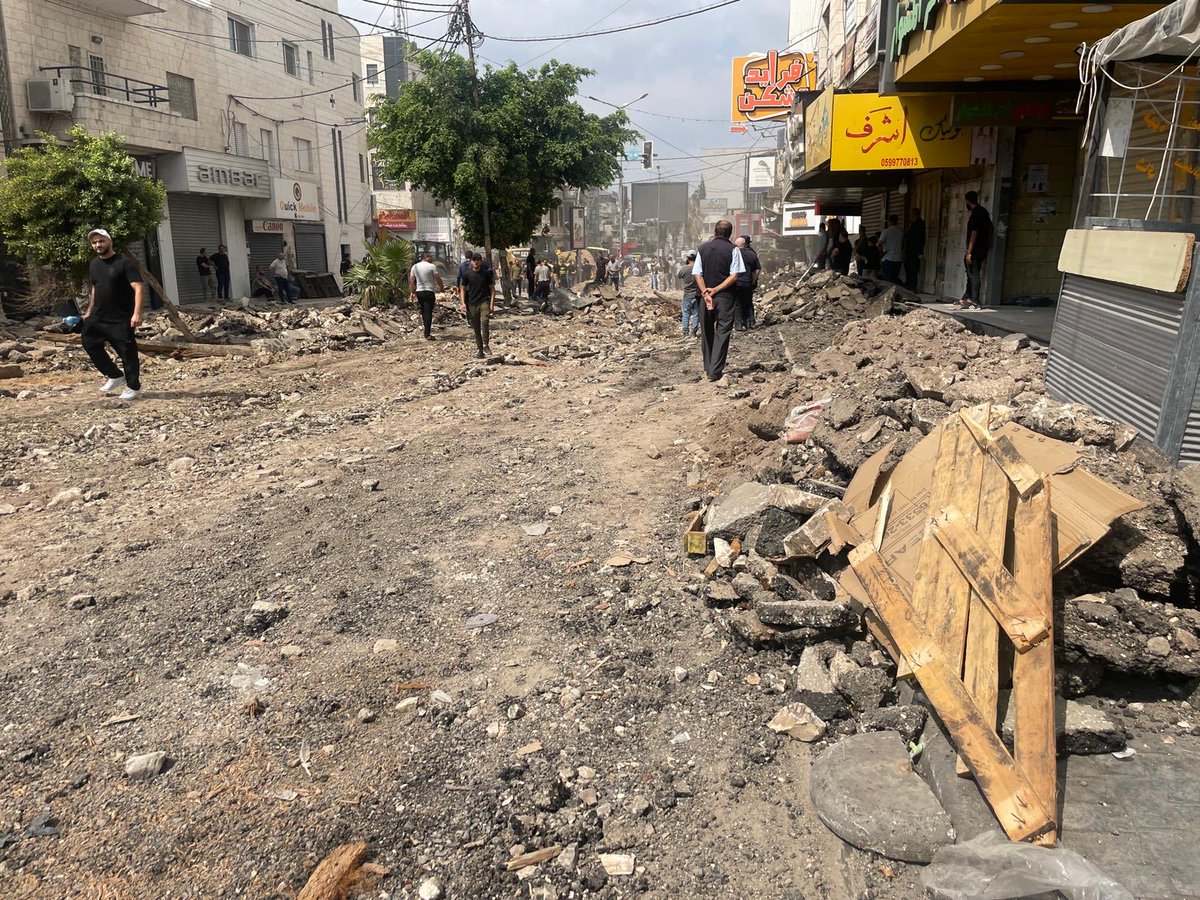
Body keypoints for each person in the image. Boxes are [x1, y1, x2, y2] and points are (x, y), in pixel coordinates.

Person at [82, 228, 145, 401]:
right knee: (89, 343)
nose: (98, 245)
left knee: (127, 353)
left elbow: (138, 287)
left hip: (120, 318)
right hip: (97, 316)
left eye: (101, 241)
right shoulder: (94, 264)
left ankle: (133, 386)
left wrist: (137, 314)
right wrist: (89, 311)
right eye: (94, 242)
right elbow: (95, 287)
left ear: (109, 241)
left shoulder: (125, 263)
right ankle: (115, 376)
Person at [693, 219, 745, 383]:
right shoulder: (733, 250)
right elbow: (734, 275)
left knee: (707, 332)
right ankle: (715, 371)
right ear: (730, 233)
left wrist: (705, 292)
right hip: (725, 298)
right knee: (722, 332)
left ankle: (708, 367)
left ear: (715, 232)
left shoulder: (702, 248)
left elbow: (697, 274)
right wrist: (716, 290)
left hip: (705, 297)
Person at [959, 191, 993, 309]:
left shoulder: (976, 214)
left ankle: (974, 300)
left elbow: (974, 233)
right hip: (982, 248)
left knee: (973, 274)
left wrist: (969, 252)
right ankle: (966, 297)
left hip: (975, 249)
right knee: (971, 273)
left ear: (968, 201)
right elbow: (990, 228)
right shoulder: (984, 212)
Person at [460, 252, 495, 358]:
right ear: (471, 261)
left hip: (484, 301)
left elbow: (492, 289)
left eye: (477, 260)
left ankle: (486, 344)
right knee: (476, 328)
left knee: (485, 321)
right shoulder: (467, 274)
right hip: (472, 303)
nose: (476, 262)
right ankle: (480, 349)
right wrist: (462, 303)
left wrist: (492, 303)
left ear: (480, 261)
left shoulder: (485, 273)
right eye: (474, 260)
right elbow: (462, 288)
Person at [409, 249, 445, 340]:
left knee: (424, 312)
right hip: (429, 292)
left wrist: (413, 291)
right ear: (426, 257)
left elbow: (411, 280)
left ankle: (426, 331)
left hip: (419, 292)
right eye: (430, 257)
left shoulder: (415, 266)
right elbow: (438, 278)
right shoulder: (431, 266)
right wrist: (442, 288)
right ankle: (427, 334)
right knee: (428, 312)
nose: (431, 258)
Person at [733, 235, 760, 330]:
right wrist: (753, 281)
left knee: (737, 304)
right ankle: (750, 323)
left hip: (735, 283)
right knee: (748, 303)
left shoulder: (733, 253)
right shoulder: (752, 254)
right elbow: (757, 269)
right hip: (747, 283)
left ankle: (738, 325)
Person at [678, 251, 701, 337]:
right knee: (696, 314)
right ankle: (694, 332)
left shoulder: (684, 269)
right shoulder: (699, 268)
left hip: (687, 295)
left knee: (685, 314)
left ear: (688, 258)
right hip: (697, 295)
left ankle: (685, 332)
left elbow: (679, 276)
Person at [878, 214, 904, 284]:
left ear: (889, 221)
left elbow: (879, 244)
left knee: (887, 280)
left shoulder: (886, 231)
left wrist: (881, 253)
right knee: (894, 279)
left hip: (888, 258)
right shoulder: (901, 232)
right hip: (898, 259)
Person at [904, 208, 926, 292]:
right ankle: (909, 284)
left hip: (915, 250)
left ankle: (912, 285)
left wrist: (920, 251)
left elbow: (921, 238)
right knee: (909, 267)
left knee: (913, 268)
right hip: (910, 250)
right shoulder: (913, 223)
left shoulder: (919, 223)